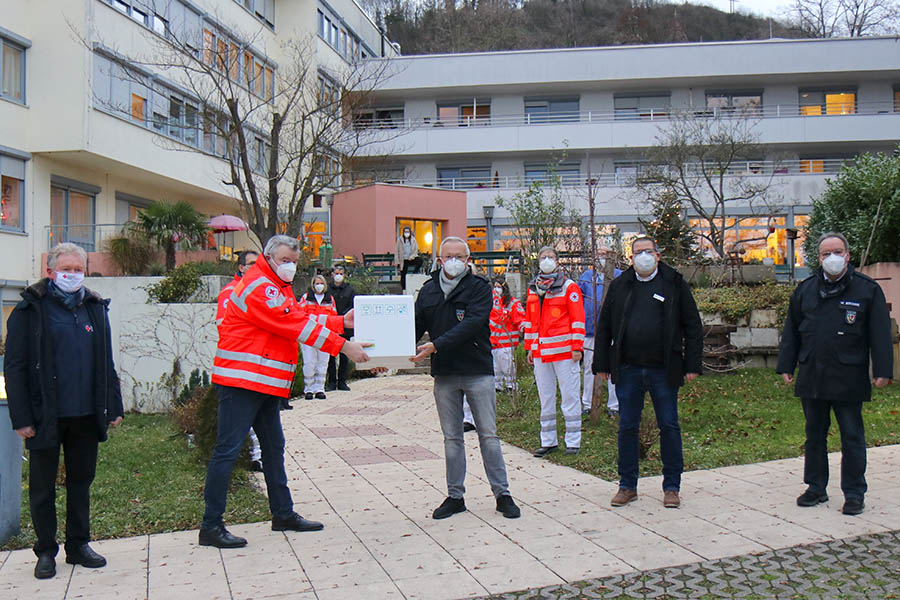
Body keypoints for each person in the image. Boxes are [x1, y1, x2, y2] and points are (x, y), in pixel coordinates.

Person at [202, 235, 370, 548]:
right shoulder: (260, 286)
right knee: (227, 451)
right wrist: (344, 345)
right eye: (284, 260)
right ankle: (211, 525)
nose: (290, 266)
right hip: (241, 382)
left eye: (294, 261)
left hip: (261, 382)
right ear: (269, 257)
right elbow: (293, 323)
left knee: (274, 447)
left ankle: (282, 514)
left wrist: (339, 321)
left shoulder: (275, 285)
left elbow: (298, 315)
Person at [4, 243, 125, 579]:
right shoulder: (30, 309)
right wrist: (21, 417)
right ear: (50, 271)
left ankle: (78, 545)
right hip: (45, 414)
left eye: (79, 269)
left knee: (80, 482)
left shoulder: (95, 307)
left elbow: (106, 361)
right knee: (42, 486)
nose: (72, 274)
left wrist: (113, 404)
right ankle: (45, 551)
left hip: (85, 413)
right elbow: (14, 366)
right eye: (66, 268)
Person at [776, 232, 893, 516]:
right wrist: (786, 365)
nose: (832, 258)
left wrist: (883, 370)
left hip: (848, 375)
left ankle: (854, 492)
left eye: (837, 251)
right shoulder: (806, 289)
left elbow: (879, 333)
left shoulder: (866, 289)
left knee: (851, 435)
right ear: (818, 258)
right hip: (812, 374)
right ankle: (816, 487)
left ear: (848, 255)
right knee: (814, 434)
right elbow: (792, 331)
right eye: (825, 253)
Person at [412, 236, 521, 520]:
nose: (454, 261)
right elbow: (413, 325)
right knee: (452, 439)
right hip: (445, 374)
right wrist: (388, 356)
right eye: (448, 256)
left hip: (477, 370)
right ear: (439, 260)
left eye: (460, 256)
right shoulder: (428, 291)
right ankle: (455, 496)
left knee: (489, 436)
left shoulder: (479, 288)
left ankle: (503, 494)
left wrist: (436, 345)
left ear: (468, 260)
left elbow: (473, 324)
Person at [593, 236, 703, 509]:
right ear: (631, 258)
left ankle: (672, 487)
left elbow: (692, 325)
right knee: (627, 426)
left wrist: (692, 364)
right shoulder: (620, 285)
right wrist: (602, 364)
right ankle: (627, 485)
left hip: (663, 370)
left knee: (669, 425)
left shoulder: (674, 283)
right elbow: (604, 326)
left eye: (648, 251)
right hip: (628, 369)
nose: (643, 256)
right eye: (637, 252)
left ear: (658, 255)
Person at [523, 246, 586, 457]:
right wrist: (530, 348)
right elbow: (531, 322)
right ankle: (548, 441)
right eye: (543, 257)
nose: (547, 260)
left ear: (558, 262)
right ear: (538, 261)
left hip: (565, 352)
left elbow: (578, 319)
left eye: (551, 257)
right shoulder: (533, 289)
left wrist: (577, 348)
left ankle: (573, 442)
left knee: (569, 397)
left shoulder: (569, 287)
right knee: (546, 398)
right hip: (541, 353)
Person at [216, 250, 263, 470]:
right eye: (251, 263)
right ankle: (250, 457)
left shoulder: (260, 291)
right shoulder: (230, 293)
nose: (256, 267)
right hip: (238, 369)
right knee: (239, 425)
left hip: (258, 367)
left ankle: (256, 456)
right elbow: (224, 329)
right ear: (241, 267)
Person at [579, 246, 623, 417]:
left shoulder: (618, 276)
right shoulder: (586, 277)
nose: (601, 258)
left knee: (613, 368)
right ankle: (587, 404)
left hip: (613, 331)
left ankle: (615, 405)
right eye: (598, 254)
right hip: (590, 330)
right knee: (590, 368)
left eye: (605, 255)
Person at [298, 274, 337, 400]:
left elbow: (334, 317)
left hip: (324, 335)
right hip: (309, 335)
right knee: (309, 362)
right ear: (313, 284)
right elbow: (300, 315)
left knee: (323, 362)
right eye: (316, 283)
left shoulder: (329, 299)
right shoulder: (306, 298)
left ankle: (320, 388)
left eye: (321, 283)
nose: (318, 285)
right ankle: (308, 389)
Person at [489, 278, 526, 392]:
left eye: (499, 286)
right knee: (495, 365)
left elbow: (520, 318)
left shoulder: (512, 303)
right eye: (494, 287)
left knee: (507, 364)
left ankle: (511, 385)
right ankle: (497, 385)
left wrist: (523, 328)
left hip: (507, 343)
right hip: (494, 342)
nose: (496, 289)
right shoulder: (491, 303)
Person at [326, 264, 356, 392]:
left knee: (344, 355)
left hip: (345, 326)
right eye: (336, 273)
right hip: (331, 325)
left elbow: (353, 306)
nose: (338, 276)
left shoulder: (350, 290)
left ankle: (342, 380)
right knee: (331, 356)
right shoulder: (327, 290)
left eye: (341, 273)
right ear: (332, 275)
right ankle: (331, 381)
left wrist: (343, 318)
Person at [395, 225, 422, 291]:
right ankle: (404, 288)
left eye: (408, 232)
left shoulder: (413, 240)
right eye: (405, 232)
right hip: (403, 260)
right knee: (403, 274)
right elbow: (397, 251)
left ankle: (414, 272)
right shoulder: (400, 240)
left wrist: (412, 256)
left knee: (420, 261)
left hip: (411, 258)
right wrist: (397, 261)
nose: (406, 233)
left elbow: (416, 249)